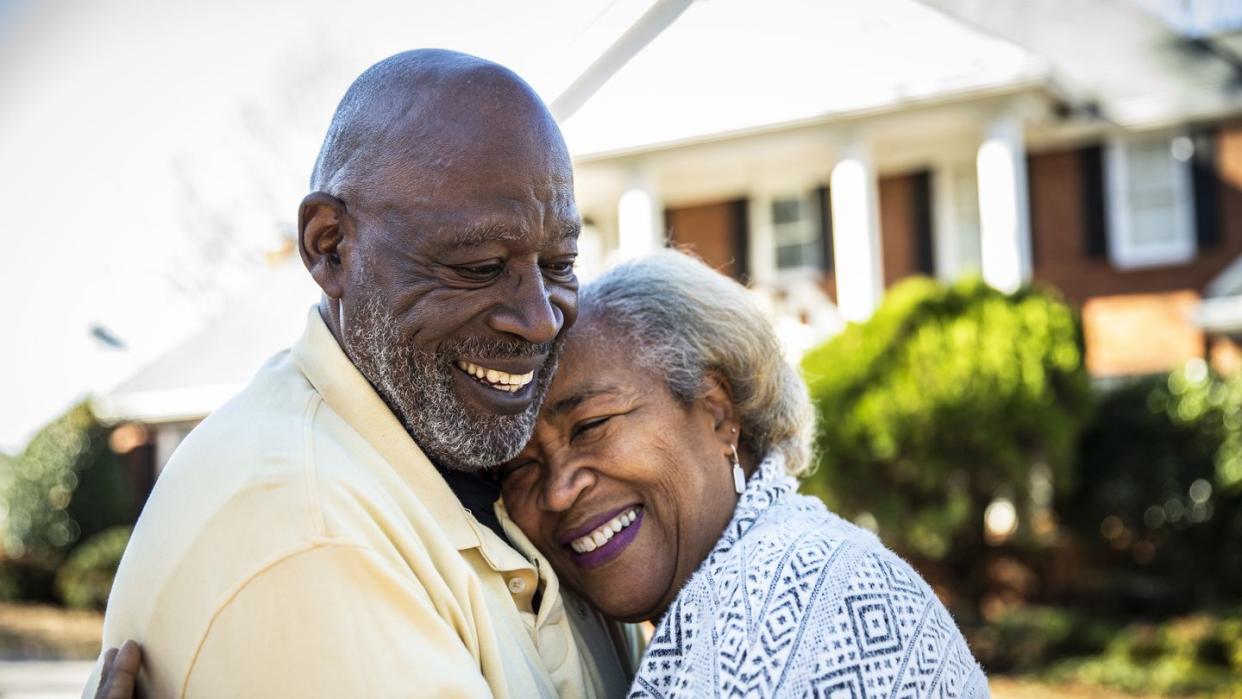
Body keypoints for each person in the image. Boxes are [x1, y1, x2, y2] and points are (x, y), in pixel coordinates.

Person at [84, 49, 638, 698]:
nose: (540, 320)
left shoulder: (507, 475)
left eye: (559, 264)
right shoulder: (306, 534)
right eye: (481, 265)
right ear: (330, 246)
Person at [495, 251, 991, 697]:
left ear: (718, 410)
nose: (558, 491)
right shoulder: (757, 587)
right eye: (520, 465)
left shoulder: (783, 607)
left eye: (591, 425)